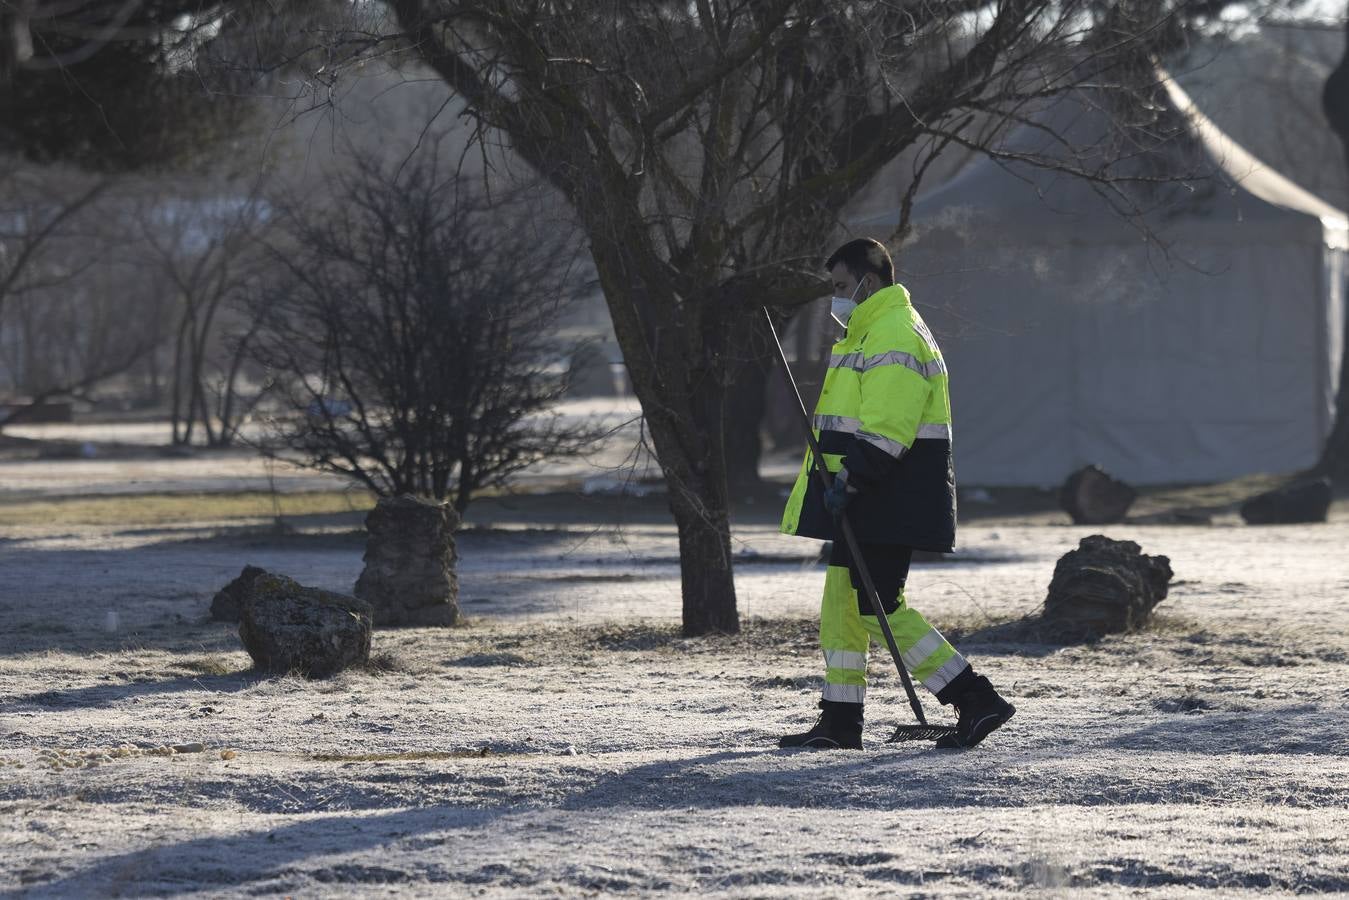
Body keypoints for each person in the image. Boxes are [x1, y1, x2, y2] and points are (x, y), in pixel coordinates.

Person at [778, 238, 1014, 751]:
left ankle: (975, 699)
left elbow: (888, 429)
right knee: (843, 604)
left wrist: (852, 480)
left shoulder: (894, 335)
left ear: (871, 279)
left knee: (877, 606)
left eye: (842, 286)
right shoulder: (867, 334)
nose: (836, 298)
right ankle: (841, 721)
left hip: (887, 495)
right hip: (864, 496)